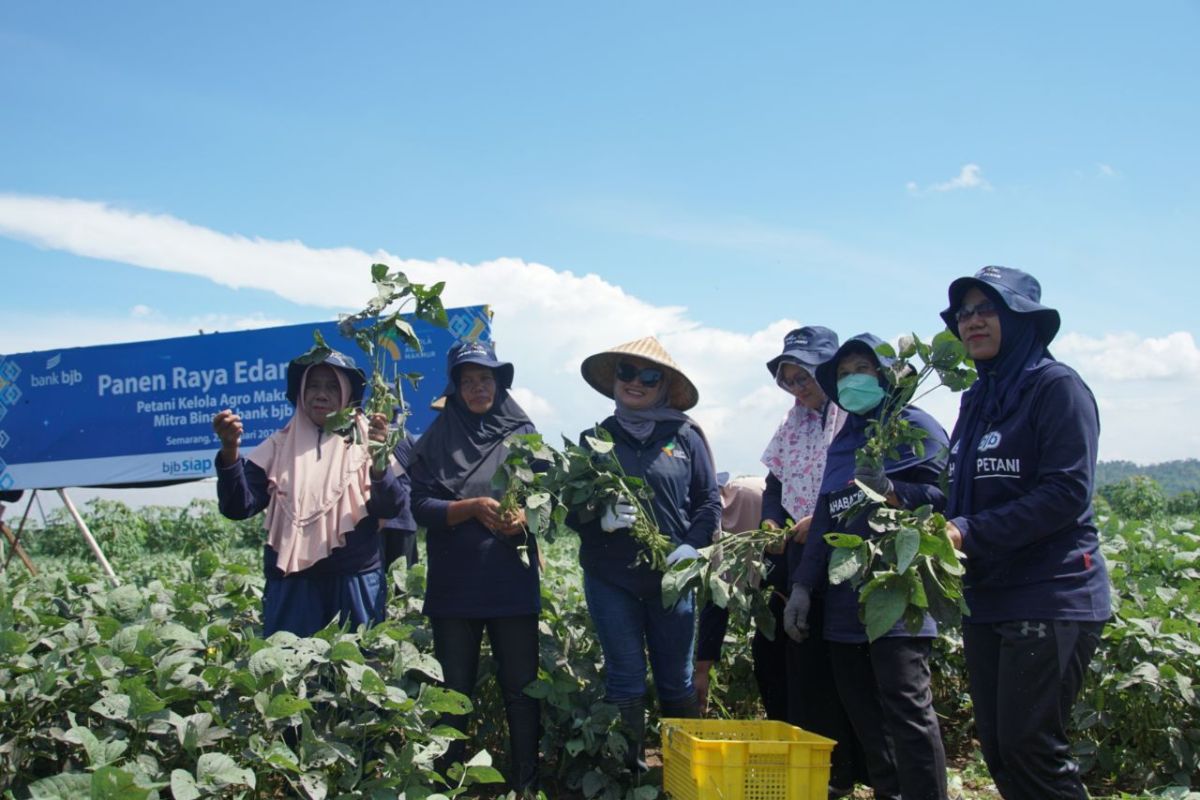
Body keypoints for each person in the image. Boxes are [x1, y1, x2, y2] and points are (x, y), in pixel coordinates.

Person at [940, 266, 1110, 800]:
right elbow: (961, 495)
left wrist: (967, 530)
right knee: (998, 747)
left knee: (1031, 748)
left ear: (1021, 320)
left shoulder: (1055, 387)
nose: (971, 322)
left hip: (1050, 593)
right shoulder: (976, 398)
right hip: (989, 597)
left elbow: (1065, 494)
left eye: (986, 309)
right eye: (964, 313)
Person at [786, 333, 950, 800]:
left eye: (863, 368)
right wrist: (802, 585)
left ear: (888, 375)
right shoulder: (846, 440)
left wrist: (895, 490)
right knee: (866, 716)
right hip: (844, 600)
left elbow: (944, 499)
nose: (852, 379)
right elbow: (826, 515)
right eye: (842, 373)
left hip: (897, 592)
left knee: (907, 712)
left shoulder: (915, 426)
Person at [576, 336, 721, 772]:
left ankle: (685, 773)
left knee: (676, 679)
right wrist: (595, 517)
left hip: (671, 578)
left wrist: (690, 547)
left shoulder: (685, 436)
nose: (635, 382)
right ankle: (627, 775)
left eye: (649, 376)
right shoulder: (595, 438)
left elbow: (708, 502)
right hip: (610, 576)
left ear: (664, 386)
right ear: (615, 379)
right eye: (627, 372)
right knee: (625, 677)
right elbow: (568, 509)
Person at [407, 340, 541, 792]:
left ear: (499, 384)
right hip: (455, 586)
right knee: (454, 694)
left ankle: (526, 784)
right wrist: (469, 508)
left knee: (522, 692)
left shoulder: (524, 434)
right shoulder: (437, 437)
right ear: (455, 388)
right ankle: (451, 785)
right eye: (468, 381)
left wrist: (527, 516)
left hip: (512, 584)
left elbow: (551, 498)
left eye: (486, 379)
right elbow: (419, 505)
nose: (478, 387)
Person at [213, 349, 404, 637]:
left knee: (357, 669)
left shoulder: (370, 439)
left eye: (332, 386)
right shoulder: (276, 446)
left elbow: (391, 507)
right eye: (313, 385)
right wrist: (230, 451)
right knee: (291, 670)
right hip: (292, 585)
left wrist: (379, 463)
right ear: (301, 392)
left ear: (347, 393)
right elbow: (238, 507)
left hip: (355, 580)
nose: (321, 394)